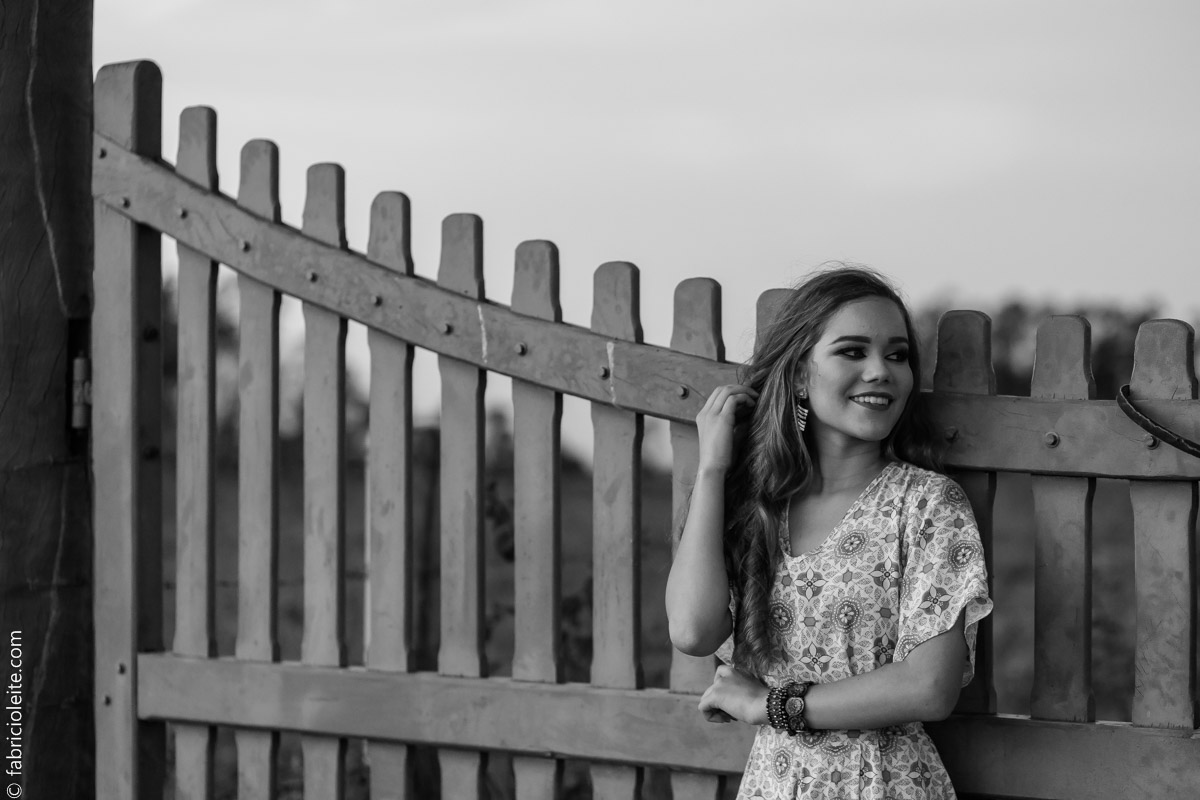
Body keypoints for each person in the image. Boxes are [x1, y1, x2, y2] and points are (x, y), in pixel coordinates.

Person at [665, 265, 992, 799]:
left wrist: (772, 705)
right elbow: (691, 631)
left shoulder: (925, 502)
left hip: (883, 783)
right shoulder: (759, 509)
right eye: (852, 351)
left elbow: (928, 687)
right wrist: (712, 470)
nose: (880, 371)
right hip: (774, 783)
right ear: (799, 375)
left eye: (897, 355)